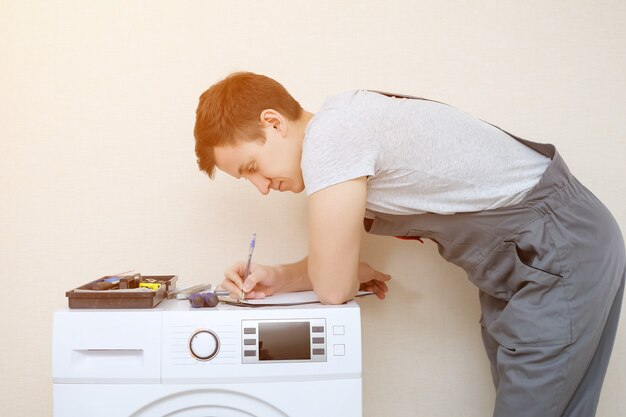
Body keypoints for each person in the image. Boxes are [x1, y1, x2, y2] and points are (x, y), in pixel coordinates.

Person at [193, 71, 625, 417]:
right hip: (533, 259)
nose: (261, 187)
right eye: (246, 179)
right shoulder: (342, 127)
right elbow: (333, 267)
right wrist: (282, 276)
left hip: (557, 246)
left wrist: (337, 272)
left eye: (252, 167)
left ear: (273, 122)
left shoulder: (332, 136)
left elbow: (333, 287)